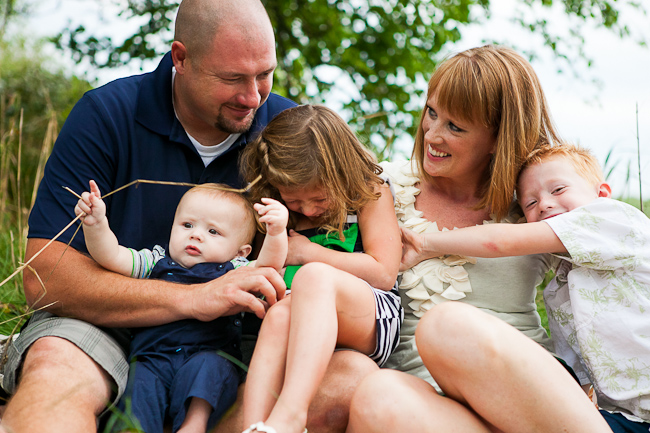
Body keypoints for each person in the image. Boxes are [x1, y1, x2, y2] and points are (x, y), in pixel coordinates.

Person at [0, 1, 300, 432]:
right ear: (181, 58)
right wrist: (195, 298)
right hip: (104, 327)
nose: (253, 97)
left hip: (237, 337)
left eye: (264, 74)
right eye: (233, 78)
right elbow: (45, 275)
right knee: (55, 373)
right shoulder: (107, 114)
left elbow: (354, 221)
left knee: (342, 382)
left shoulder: (290, 128)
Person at [347, 44, 611, 432]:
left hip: (527, 401)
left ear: (498, 137)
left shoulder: (536, 204)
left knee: (445, 326)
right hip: (429, 408)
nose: (432, 135)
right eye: (431, 113)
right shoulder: (383, 188)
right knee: (377, 397)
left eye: (455, 126)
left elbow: (616, 282)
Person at [392, 143, 650, 432]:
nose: (545, 204)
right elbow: (582, 370)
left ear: (601, 193)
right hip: (627, 419)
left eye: (558, 190)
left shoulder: (614, 220)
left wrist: (425, 243)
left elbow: (500, 241)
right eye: (530, 203)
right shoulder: (559, 288)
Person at [238, 104, 403, 433]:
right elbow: (262, 271)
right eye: (296, 201)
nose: (309, 210)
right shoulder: (277, 209)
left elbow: (383, 272)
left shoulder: (370, 193)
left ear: (342, 174)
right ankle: (255, 426)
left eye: (320, 198)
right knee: (280, 314)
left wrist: (309, 252)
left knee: (313, 278)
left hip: (371, 316)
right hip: (297, 319)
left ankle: (291, 415)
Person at [74, 180, 288, 432]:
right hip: (152, 358)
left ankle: (193, 425)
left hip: (208, 354)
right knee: (139, 387)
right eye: (187, 225)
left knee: (211, 369)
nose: (195, 234)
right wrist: (97, 225)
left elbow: (268, 269)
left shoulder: (236, 271)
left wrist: (276, 233)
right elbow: (112, 256)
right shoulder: (154, 261)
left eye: (213, 232)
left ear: (241, 252)